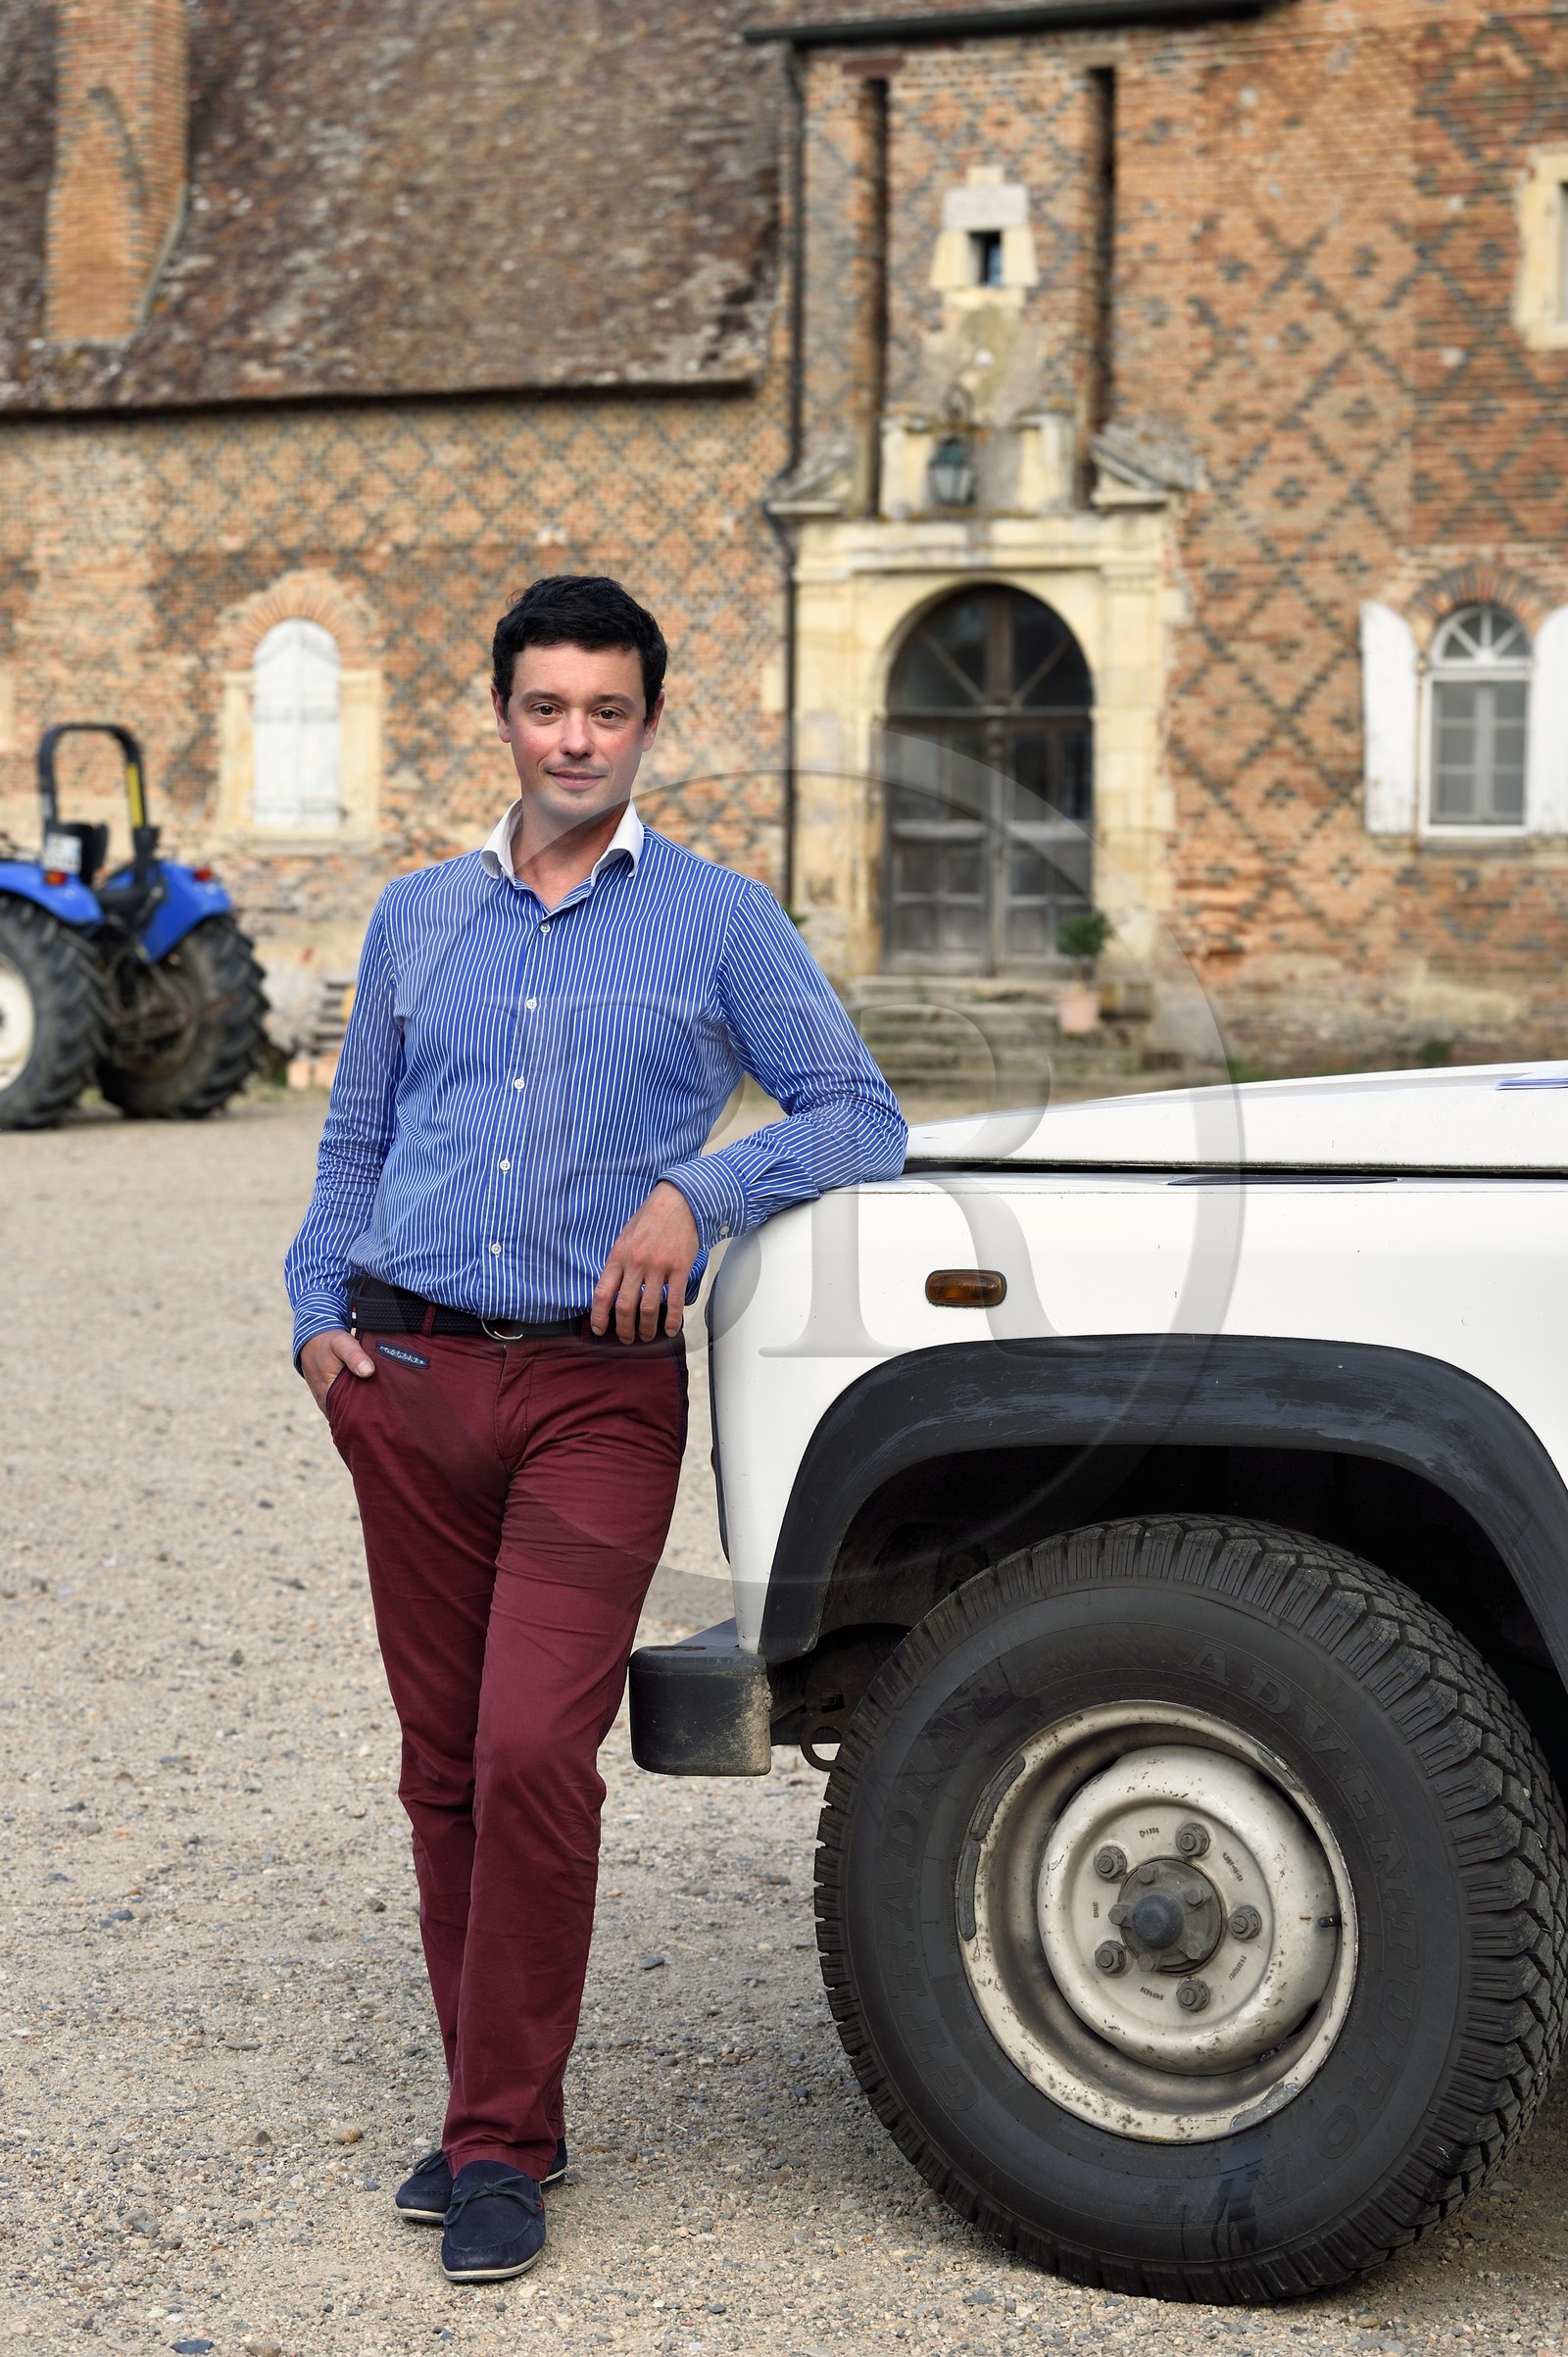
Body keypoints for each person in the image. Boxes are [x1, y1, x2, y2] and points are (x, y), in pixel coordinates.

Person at [284, 573, 906, 2284]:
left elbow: (862, 1111)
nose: (575, 738)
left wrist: (698, 1191)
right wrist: (316, 1328)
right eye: (547, 707)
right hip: (402, 1384)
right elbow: (352, 1147)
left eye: (608, 712)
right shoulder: (419, 916)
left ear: (648, 724)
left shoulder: (716, 919)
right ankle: (504, 2111)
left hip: (593, 1401)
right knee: (439, 1769)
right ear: (503, 715)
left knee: (530, 1752)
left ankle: (493, 2148)